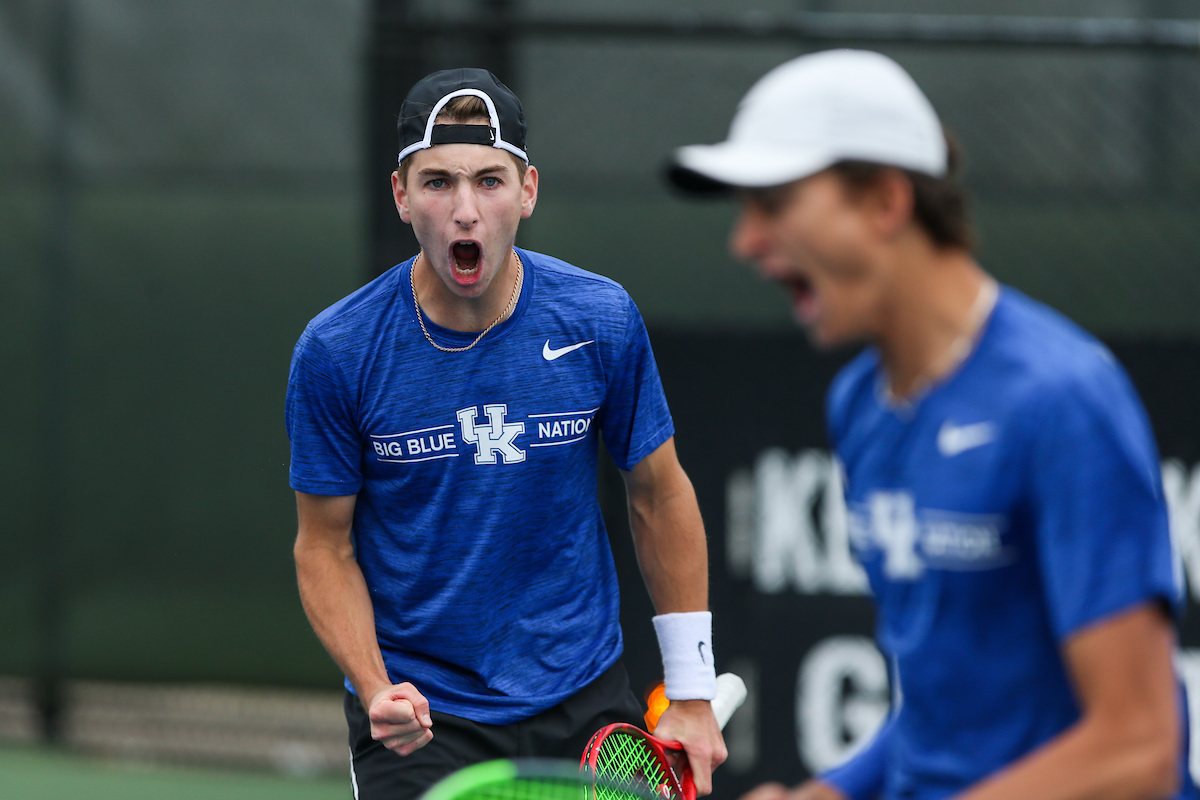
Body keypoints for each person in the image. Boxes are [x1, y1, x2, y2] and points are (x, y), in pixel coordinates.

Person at [667, 49, 1194, 800]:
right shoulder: (861, 406)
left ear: (885, 201)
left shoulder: (1062, 399)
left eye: (774, 203)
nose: (746, 241)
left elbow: (1138, 749)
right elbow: (943, 715)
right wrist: (830, 795)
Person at [286, 68, 726, 800]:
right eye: (437, 183)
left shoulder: (599, 320)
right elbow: (323, 545)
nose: (465, 210)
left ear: (527, 192)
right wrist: (374, 687)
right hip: (422, 714)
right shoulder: (337, 350)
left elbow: (657, 493)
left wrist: (691, 689)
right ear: (401, 195)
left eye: (489, 181)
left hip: (584, 698)